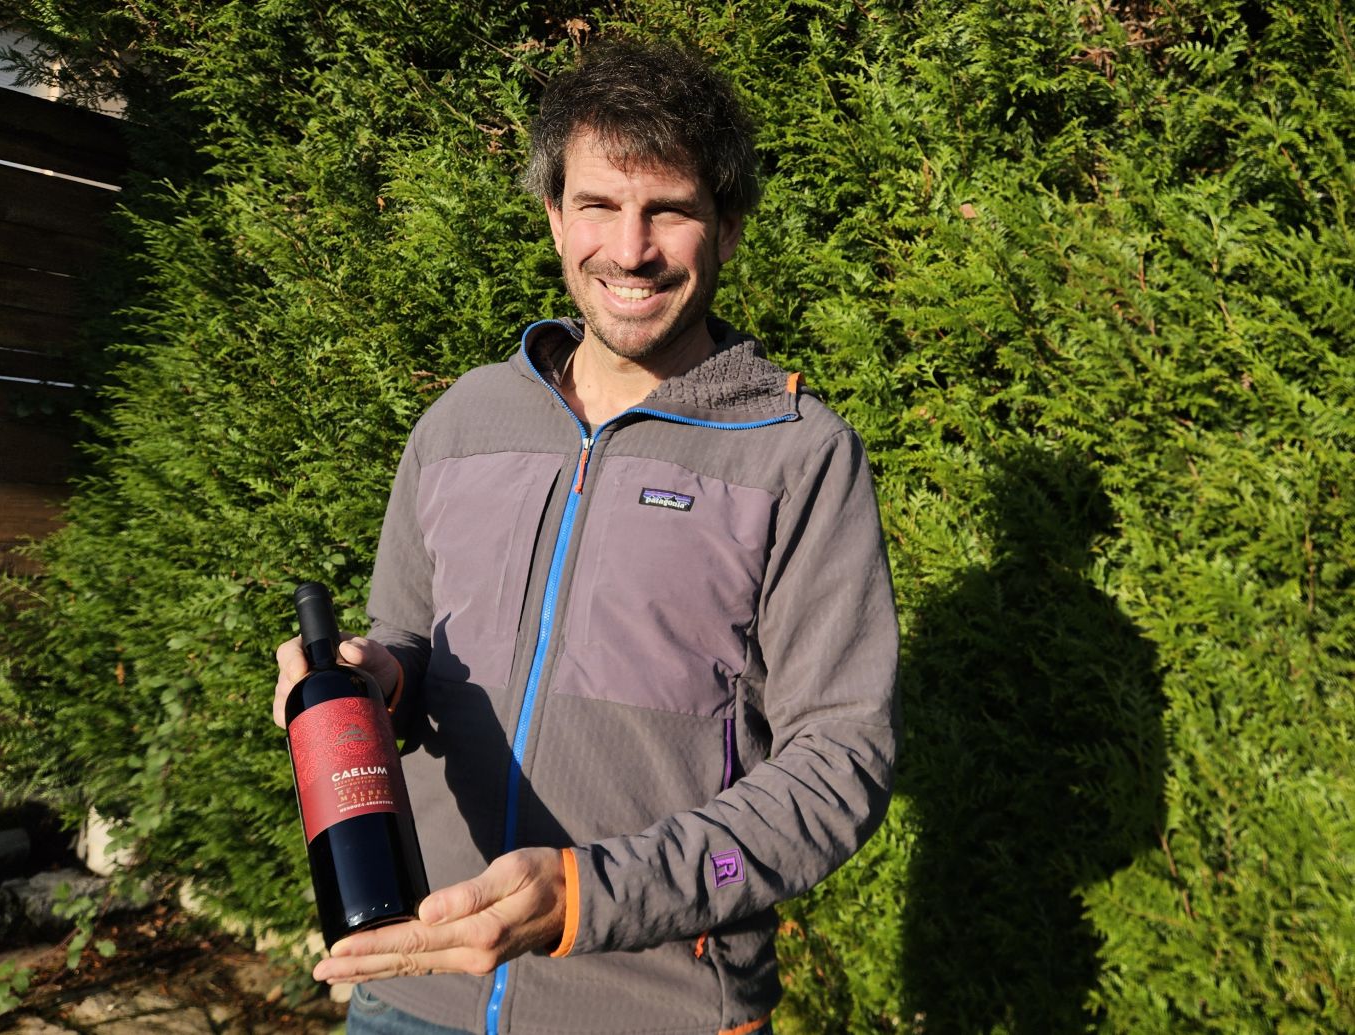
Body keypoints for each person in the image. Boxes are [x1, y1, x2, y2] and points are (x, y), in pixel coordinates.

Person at [274, 39, 900, 1035]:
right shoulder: (463, 421)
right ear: (556, 217)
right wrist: (371, 680)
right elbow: (408, 637)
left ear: (729, 229)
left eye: (670, 210)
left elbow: (839, 763)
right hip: (414, 988)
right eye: (599, 205)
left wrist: (588, 896)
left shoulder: (799, 456)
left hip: (659, 1010)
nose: (630, 249)